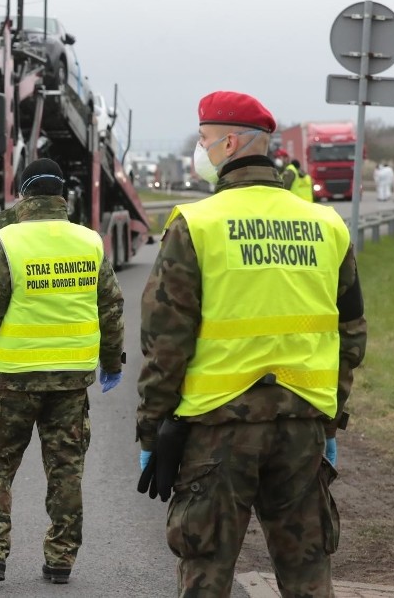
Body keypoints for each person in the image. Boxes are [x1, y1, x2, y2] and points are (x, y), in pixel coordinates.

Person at [136, 90, 367, 596]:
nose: (202, 150)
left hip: (218, 431)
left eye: (205, 140)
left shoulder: (197, 224)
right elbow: (351, 331)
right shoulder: (326, 224)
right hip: (302, 426)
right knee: (309, 576)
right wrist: (329, 414)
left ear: (230, 142)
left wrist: (153, 427)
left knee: (206, 574)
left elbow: (164, 341)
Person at [0, 158, 125, 585]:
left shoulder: (7, 242)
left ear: (24, 194)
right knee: (65, 469)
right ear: (61, 195)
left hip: (13, 379)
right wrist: (112, 363)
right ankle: (61, 560)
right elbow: (110, 309)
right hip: (70, 380)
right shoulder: (89, 242)